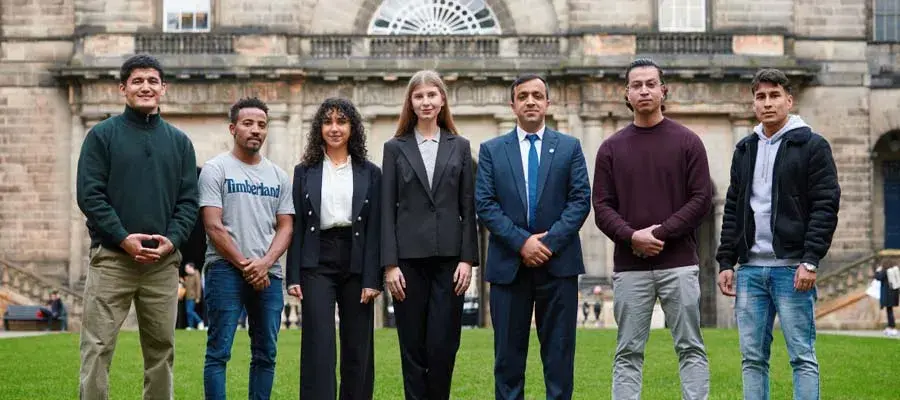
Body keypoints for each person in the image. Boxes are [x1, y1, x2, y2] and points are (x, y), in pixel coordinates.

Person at [76, 53, 198, 400]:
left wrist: (172, 241)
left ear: (164, 89)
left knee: (161, 351)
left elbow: (188, 202)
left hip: (162, 265)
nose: (145, 87)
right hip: (113, 259)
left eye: (152, 81)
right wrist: (122, 237)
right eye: (137, 81)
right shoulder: (102, 136)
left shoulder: (180, 143)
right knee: (97, 347)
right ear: (123, 89)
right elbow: (90, 194)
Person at [716, 68, 841, 400]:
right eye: (760, 97)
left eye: (774, 96)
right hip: (751, 271)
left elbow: (825, 206)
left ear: (789, 99)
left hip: (792, 269)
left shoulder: (812, 145)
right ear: (754, 102)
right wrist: (726, 261)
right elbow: (733, 208)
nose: (767, 103)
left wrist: (810, 261)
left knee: (802, 356)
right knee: (752, 359)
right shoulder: (745, 149)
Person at [592, 58, 712, 400]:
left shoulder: (688, 141)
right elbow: (601, 207)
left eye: (650, 84)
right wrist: (632, 237)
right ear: (626, 94)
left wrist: (658, 234)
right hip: (630, 267)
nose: (643, 91)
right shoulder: (610, 148)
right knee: (628, 351)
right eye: (636, 85)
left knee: (690, 346)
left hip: (679, 262)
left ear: (664, 90)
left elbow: (701, 200)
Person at [475, 74, 591, 400]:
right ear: (512, 105)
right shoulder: (491, 151)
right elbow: (485, 204)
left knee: (559, 360)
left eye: (537, 95)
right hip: (509, 268)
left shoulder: (570, 148)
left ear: (547, 103)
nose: (530, 101)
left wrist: (548, 243)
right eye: (523, 96)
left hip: (559, 267)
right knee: (508, 362)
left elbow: (580, 200)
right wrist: (522, 243)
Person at [381, 69, 479, 400]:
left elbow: (468, 206)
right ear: (411, 102)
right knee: (412, 346)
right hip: (407, 262)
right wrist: (389, 264)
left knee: (443, 344)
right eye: (419, 96)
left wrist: (468, 259)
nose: (426, 101)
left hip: (450, 261)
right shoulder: (394, 148)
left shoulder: (461, 146)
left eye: (432, 95)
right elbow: (387, 210)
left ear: (442, 100)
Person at [286, 97, 383, 399]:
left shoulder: (371, 172)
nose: (335, 128)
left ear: (353, 127)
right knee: (319, 344)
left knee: (358, 346)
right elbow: (297, 223)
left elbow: (375, 229)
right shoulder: (305, 171)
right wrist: (293, 275)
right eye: (327, 122)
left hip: (357, 257)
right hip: (317, 259)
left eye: (341, 121)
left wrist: (372, 278)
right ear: (319, 129)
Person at [199, 97, 294, 400]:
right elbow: (213, 226)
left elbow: (286, 226)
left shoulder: (279, 176)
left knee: (266, 353)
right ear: (233, 128)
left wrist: (265, 263)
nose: (256, 130)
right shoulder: (215, 169)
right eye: (248, 123)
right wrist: (247, 265)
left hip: (269, 273)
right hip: (225, 270)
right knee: (219, 351)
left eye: (262, 125)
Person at [874, 260, 899, 336]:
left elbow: (878, 277)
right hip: (893, 294)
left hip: (888, 295)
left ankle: (892, 327)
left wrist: (877, 271)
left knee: (889, 311)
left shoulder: (885, 271)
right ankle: (890, 326)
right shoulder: (894, 271)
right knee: (889, 311)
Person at [182, 263, 204, 330]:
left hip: (193, 296)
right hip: (187, 296)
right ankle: (191, 326)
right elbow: (187, 286)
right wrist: (183, 282)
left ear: (191, 268)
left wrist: (198, 297)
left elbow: (198, 286)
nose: (186, 270)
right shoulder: (188, 276)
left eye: (187, 268)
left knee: (190, 311)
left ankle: (200, 321)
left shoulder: (196, 274)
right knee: (188, 312)